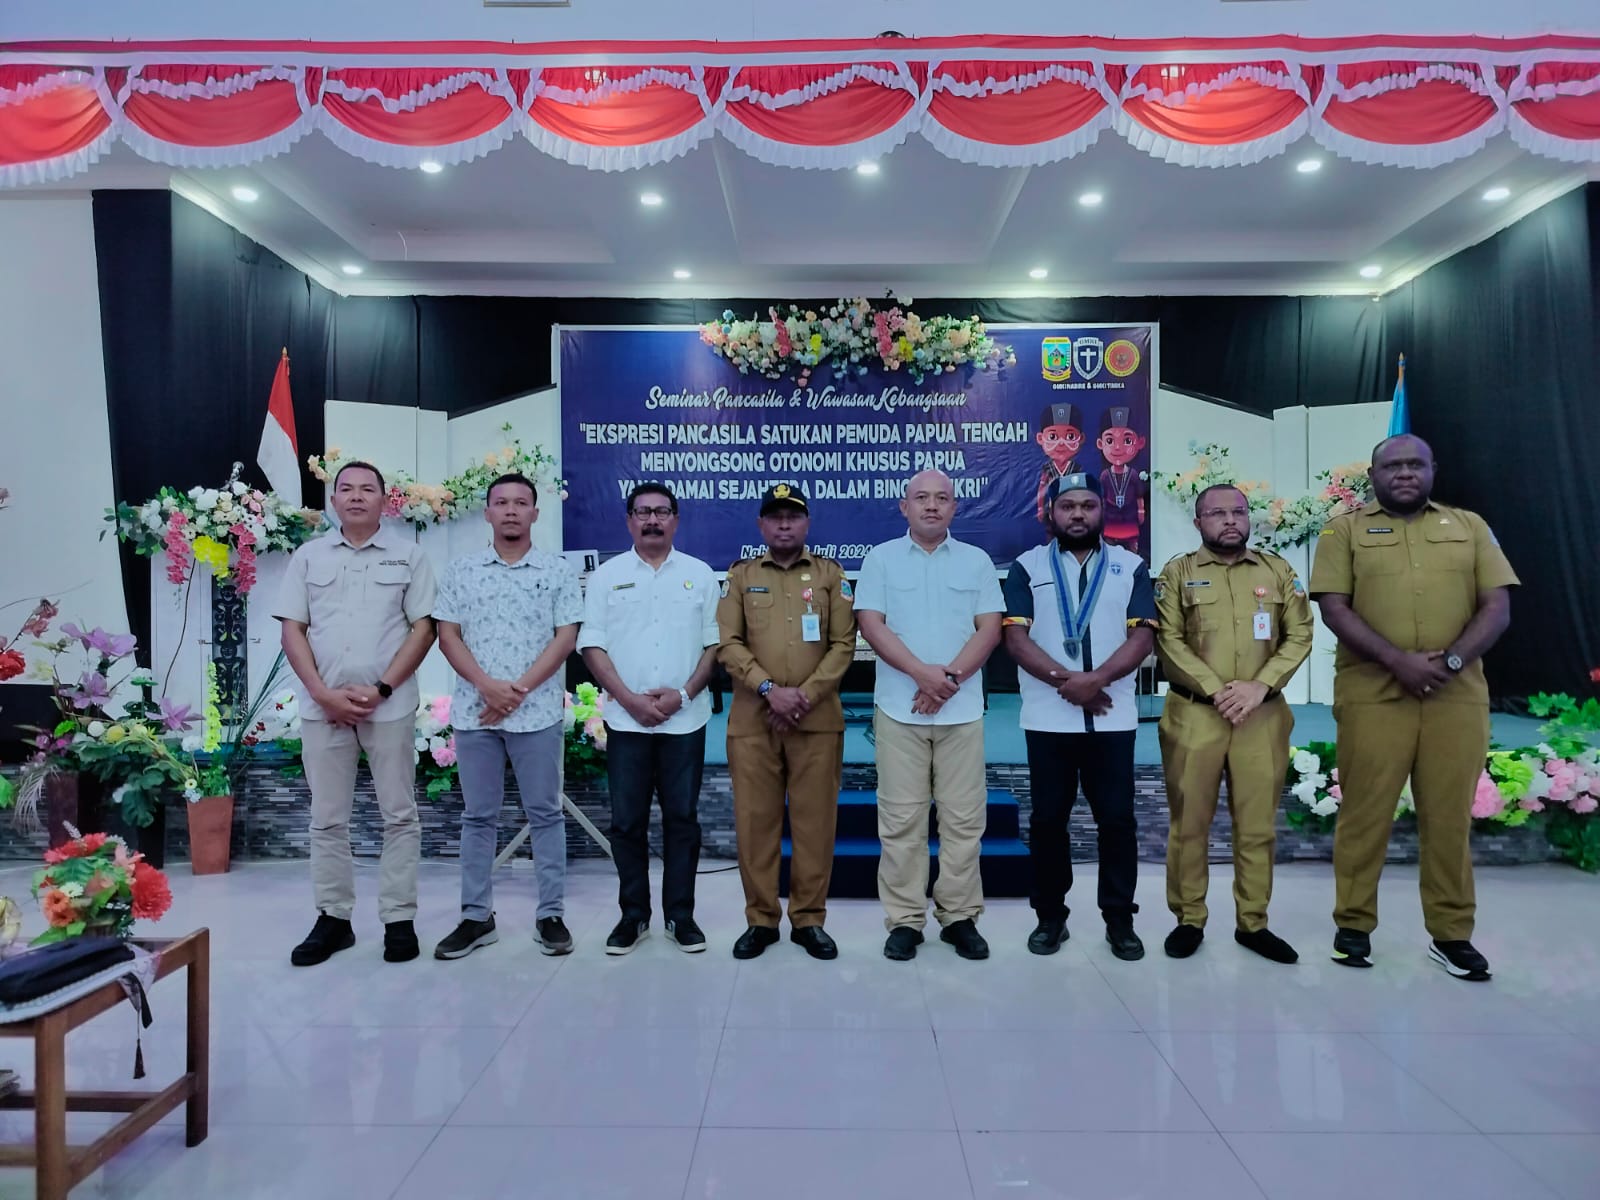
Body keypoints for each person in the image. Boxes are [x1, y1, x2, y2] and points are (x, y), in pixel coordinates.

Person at [1310, 434, 1516, 981]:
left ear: (1432, 470)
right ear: (1373, 476)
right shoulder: (1342, 530)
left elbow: (1497, 607)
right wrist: (1397, 661)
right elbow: (1334, 608)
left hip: (1455, 697)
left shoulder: (1469, 527)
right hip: (1373, 695)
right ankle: (1353, 926)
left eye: (1415, 464)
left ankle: (1451, 935)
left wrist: (1451, 662)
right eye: (1393, 466)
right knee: (1364, 815)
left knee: (1449, 819)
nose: (1405, 473)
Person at [275, 461, 437, 967]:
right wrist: (322, 694)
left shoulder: (410, 556)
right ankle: (333, 919)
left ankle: (399, 918)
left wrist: (383, 688)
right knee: (327, 818)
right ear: (334, 500)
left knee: (399, 814)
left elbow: (424, 629)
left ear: (385, 501)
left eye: (368, 489)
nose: (356, 496)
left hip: (389, 705)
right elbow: (292, 629)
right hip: (322, 708)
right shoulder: (308, 556)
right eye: (346, 489)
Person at [1154, 484, 1314, 964]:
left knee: (1257, 826)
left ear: (1248, 518)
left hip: (1261, 716)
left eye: (1238, 512)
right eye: (1217, 513)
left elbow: (1300, 633)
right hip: (1194, 716)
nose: (1229, 520)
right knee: (1189, 825)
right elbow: (1167, 638)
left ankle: (1253, 923)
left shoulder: (1277, 571)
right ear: (1198, 522)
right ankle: (1189, 919)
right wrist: (1217, 689)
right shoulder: (1178, 573)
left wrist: (1259, 686)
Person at [1003, 472, 1157, 961]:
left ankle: (1119, 920)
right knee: (1048, 822)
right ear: (1051, 513)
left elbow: (1143, 636)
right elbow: (1015, 638)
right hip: (1048, 720)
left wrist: (1096, 680)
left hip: (1111, 718)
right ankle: (1050, 918)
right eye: (1067, 506)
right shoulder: (1027, 567)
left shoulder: (1131, 566)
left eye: (1087, 506)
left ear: (1102, 511)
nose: (1077, 514)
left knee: (1117, 822)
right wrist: (1067, 682)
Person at [430, 473, 583, 960]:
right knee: (478, 816)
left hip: (536, 713)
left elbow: (566, 637)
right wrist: (487, 686)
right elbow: (448, 636)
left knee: (546, 813)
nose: (511, 510)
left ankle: (551, 914)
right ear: (488, 512)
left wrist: (518, 691)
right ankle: (476, 916)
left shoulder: (557, 570)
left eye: (521, 503)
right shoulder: (462, 570)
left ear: (536, 513)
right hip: (477, 714)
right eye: (502, 502)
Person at [854, 471, 1003, 961]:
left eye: (942, 498)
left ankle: (959, 917)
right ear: (905, 507)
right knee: (900, 820)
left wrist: (948, 681)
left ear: (955, 507)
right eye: (922, 498)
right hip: (900, 711)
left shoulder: (977, 561)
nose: (932, 506)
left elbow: (990, 629)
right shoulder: (880, 559)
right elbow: (871, 624)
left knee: (964, 820)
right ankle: (904, 920)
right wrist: (922, 675)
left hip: (961, 712)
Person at [578, 482, 720, 955]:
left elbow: (714, 645)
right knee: (627, 823)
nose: (652, 520)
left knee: (682, 820)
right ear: (629, 520)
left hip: (685, 720)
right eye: (643, 512)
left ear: (676, 519)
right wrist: (628, 699)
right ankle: (633, 916)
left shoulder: (700, 575)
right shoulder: (606, 577)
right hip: (626, 721)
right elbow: (591, 644)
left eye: (662, 512)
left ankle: (681, 916)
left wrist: (683, 694)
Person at [717, 483, 856, 960]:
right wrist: (769, 691)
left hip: (816, 721)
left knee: (815, 825)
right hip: (753, 721)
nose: (783, 524)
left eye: (792, 517)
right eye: (774, 517)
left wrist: (804, 696)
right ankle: (760, 920)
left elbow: (844, 644)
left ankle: (809, 920)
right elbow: (728, 642)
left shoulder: (831, 575)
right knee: (755, 824)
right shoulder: (741, 576)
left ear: (806, 523)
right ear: (760, 525)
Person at [1097, 405, 1149, 555]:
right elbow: (1101, 498)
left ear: (1140, 443)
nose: (1118, 447)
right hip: (1110, 518)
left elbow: (1139, 496)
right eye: (1110, 441)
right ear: (1100, 444)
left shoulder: (1133, 474)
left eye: (1127, 440)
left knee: (1132, 549)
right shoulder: (1105, 475)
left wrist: (1141, 511)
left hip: (1129, 517)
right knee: (1109, 549)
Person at [1034, 402, 1086, 522]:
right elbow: (1041, 489)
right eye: (1053, 437)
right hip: (1053, 508)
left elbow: (1081, 490)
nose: (1061, 443)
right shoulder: (1048, 468)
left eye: (1070, 436)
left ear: (1081, 438)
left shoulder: (1076, 468)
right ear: (1040, 438)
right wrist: (1040, 508)